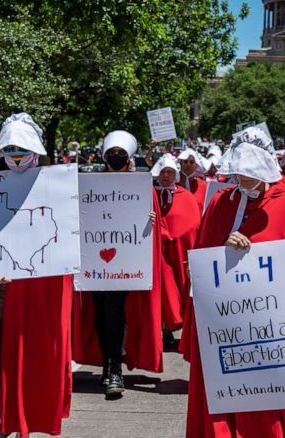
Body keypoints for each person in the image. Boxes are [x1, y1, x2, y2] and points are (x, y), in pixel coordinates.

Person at [180, 126, 285, 438]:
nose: (242, 177)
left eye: (249, 171)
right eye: (238, 170)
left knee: (264, 410)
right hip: (223, 323)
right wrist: (224, 251)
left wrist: (251, 253)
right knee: (221, 398)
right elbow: (200, 263)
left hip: (265, 327)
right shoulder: (220, 202)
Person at [0, 113, 75, 438]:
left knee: (35, 357)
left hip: (41, 291)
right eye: (10, 147)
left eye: (22, 147)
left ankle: (27, 416)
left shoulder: (58, 187)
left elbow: (64, 237)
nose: (17, 154)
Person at [72, 130, 164, 398]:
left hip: (126, 263)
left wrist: (151, 219)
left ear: (129, 160)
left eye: (120, 155)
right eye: (111, 155)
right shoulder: (90, 185)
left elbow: (153, 226)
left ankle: (114, 368)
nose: (115, 159)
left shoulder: (141, 186)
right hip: (96, 260)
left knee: (113, 311)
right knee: (100, 313)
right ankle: (107, 361)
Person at [151, 153, 200, 350]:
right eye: (162, 172)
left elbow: (193, 223)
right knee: (163, 289)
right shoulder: (148, 193)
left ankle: (176, 328)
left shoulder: (185, 196)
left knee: (181, 289)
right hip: (158, 252)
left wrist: (179, 237)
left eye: (170, 172)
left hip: (180, 252)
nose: (165, 176)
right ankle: (164, 328)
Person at [177, 148, 209, 213]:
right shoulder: (174, 183)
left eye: (191, 162)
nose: (188, 165)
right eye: (185, 162)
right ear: (181, 164)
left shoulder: (204, 186)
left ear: (196, 165)